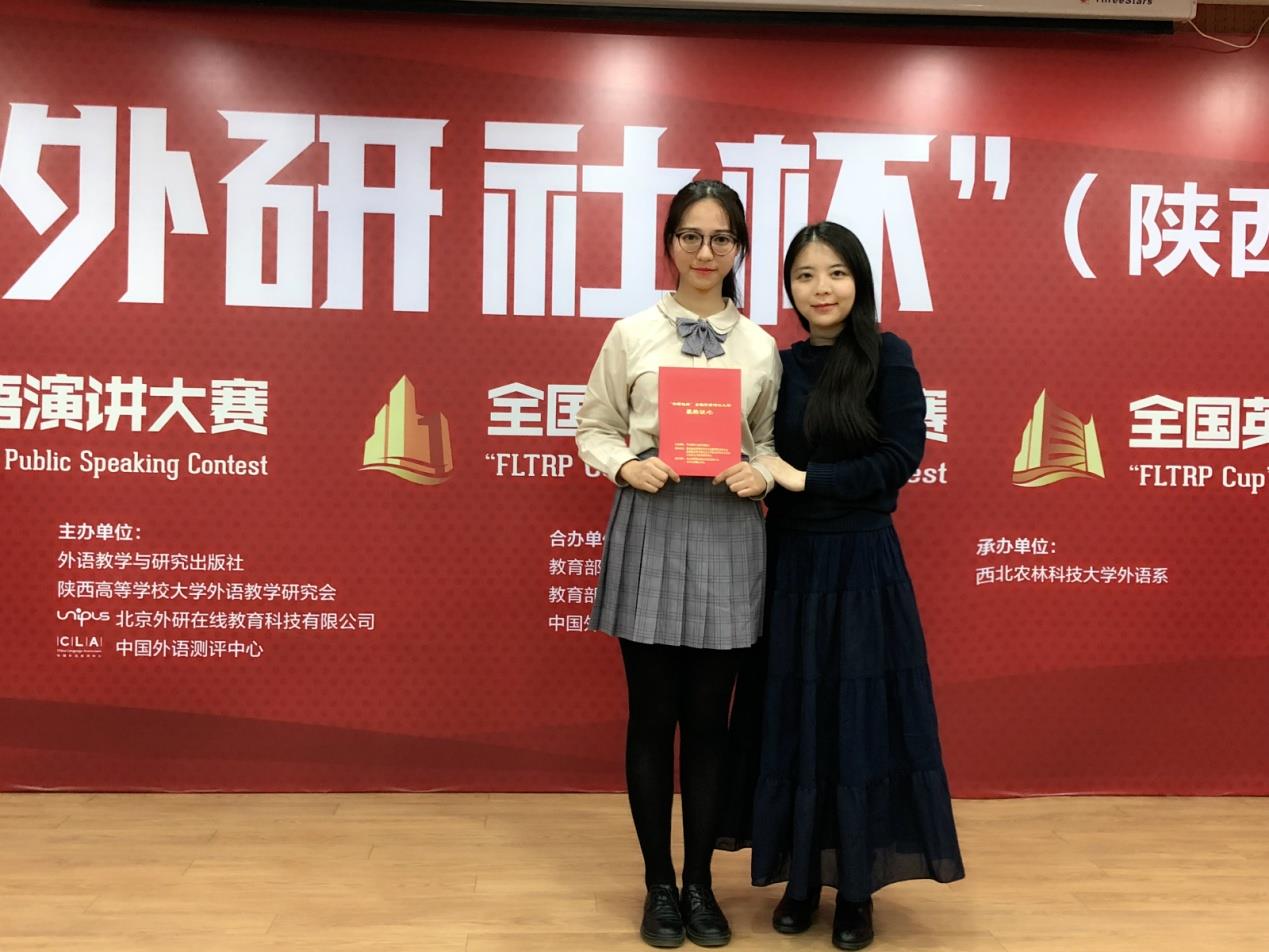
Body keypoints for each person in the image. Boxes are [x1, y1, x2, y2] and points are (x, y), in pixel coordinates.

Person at [576, 179, 781, 949]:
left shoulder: (759, 345)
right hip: (652, 518)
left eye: (721, 238)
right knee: (651, 715)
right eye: (690, 236)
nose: (705, 251)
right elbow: (593, 427)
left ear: (739, 249)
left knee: (708, 723)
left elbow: (768, 442)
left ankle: (701, 884)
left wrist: (760, 473)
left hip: (728, 526)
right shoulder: (631, 333)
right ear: (669, 244)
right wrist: (626, 465)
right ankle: (658, 886)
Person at [750, 222, 965, 950]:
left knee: (857, 724)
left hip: (861, 565)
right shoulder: (775, 363)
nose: (821, 289)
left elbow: (900, 457)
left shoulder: (887, 355)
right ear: (789, 287)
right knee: (794, 719)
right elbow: (753, 447)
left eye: (836, 273)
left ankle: (856, 889)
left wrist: (806, 478)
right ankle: (800, 878)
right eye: (805, 275)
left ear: (859, 281)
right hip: (788, 562)